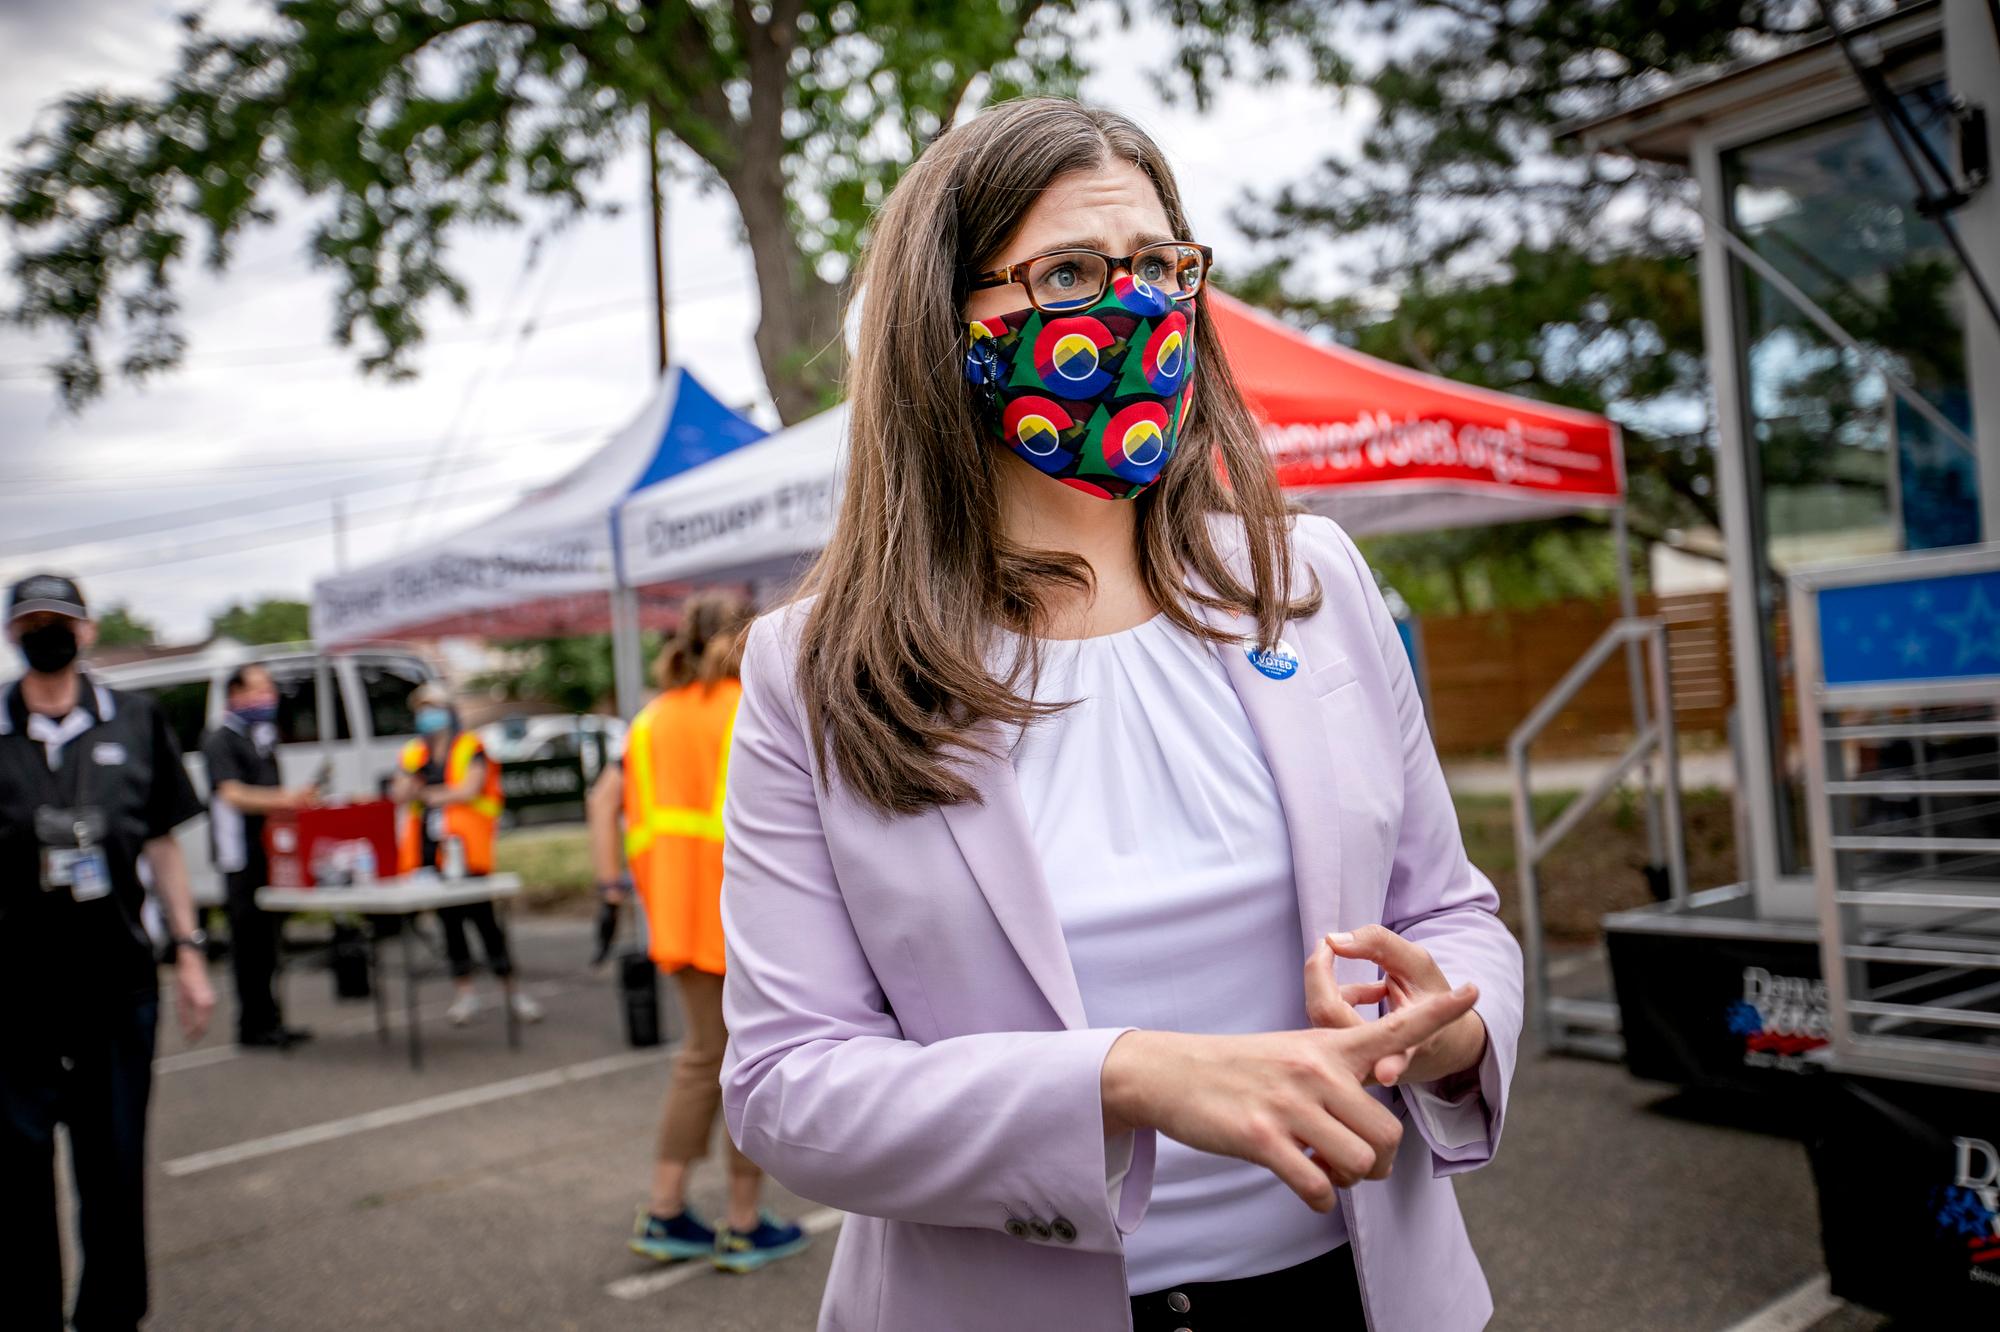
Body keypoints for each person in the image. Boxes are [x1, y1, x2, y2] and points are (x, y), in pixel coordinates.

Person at [717, 99, 1524, 1332]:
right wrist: (1130, 1076)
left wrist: (1453, 1028)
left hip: (1358, 1294)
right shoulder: (814, 668)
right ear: (948, 324)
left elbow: (1452, 913)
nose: (1136, 304)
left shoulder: (1306, 582)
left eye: (1159, 266)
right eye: (1073, 272)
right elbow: (788, 1090)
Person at [0, 573, 216, 1331]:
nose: (47, 634)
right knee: (17, 1183)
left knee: (114, 1174)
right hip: (15, 1002)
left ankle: (110, 1319)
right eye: (32, 624)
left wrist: (189, 953)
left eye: (60, 621)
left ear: (88, 633)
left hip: (116, 990)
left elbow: (160, 843)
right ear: (12, 637)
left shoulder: (136, 718)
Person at [589, 593, 807, 1272]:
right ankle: (743, 1221)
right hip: (745, 909)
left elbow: (603, 800)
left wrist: (610, 885)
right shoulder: (752, 702)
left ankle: (666, 1208)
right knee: (750, 1061)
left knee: (700, 1058)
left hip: (676, 909)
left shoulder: (651, 720)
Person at [391, 682, 541, 1027]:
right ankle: (465, 993)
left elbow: (469, 789)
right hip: (430, 856)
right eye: (422, 710)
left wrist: (429, 795)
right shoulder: (414, 753)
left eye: (433, 708)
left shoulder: (471, 747)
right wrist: (420, 789)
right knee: (450, 926)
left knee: (486, 923)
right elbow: (400, 792)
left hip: (467, 852)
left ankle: (512, 991)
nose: (428, 716)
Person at [200, 663, 318, 1049]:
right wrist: (284, 798)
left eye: (269, 688)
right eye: (258, 689)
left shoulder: (261, 737)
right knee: (248, 941)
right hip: (240, 855)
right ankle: (252, 1024)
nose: (267, 696)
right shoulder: (221, 739)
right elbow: (232, 793)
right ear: (235, 695)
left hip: (270, 850)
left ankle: (271, 1018)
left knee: (268, 940)